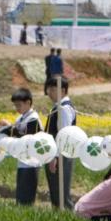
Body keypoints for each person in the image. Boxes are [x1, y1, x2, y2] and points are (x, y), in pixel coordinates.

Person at [0, 88, 41, 205]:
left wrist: (10, 128)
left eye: (19, 105)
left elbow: (27, 137)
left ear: (28, 103)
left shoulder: (33, 119)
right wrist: (4, 128)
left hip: (31, 162)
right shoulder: (21, 118)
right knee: (21, 193)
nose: (17, 108)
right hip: (22, 160)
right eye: (15, 105)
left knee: (26, 196)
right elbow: (16, 133)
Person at [44, 75, 77, 209]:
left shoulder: (64, 109)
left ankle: (69, 220)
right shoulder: (58, 107)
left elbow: (63, 134)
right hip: (56, 154)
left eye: (52, 89)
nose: (49, 93)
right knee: (55, 191)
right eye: (48, 89)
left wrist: (55, 157)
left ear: (63, 90)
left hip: (61, 154)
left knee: (61, 194)